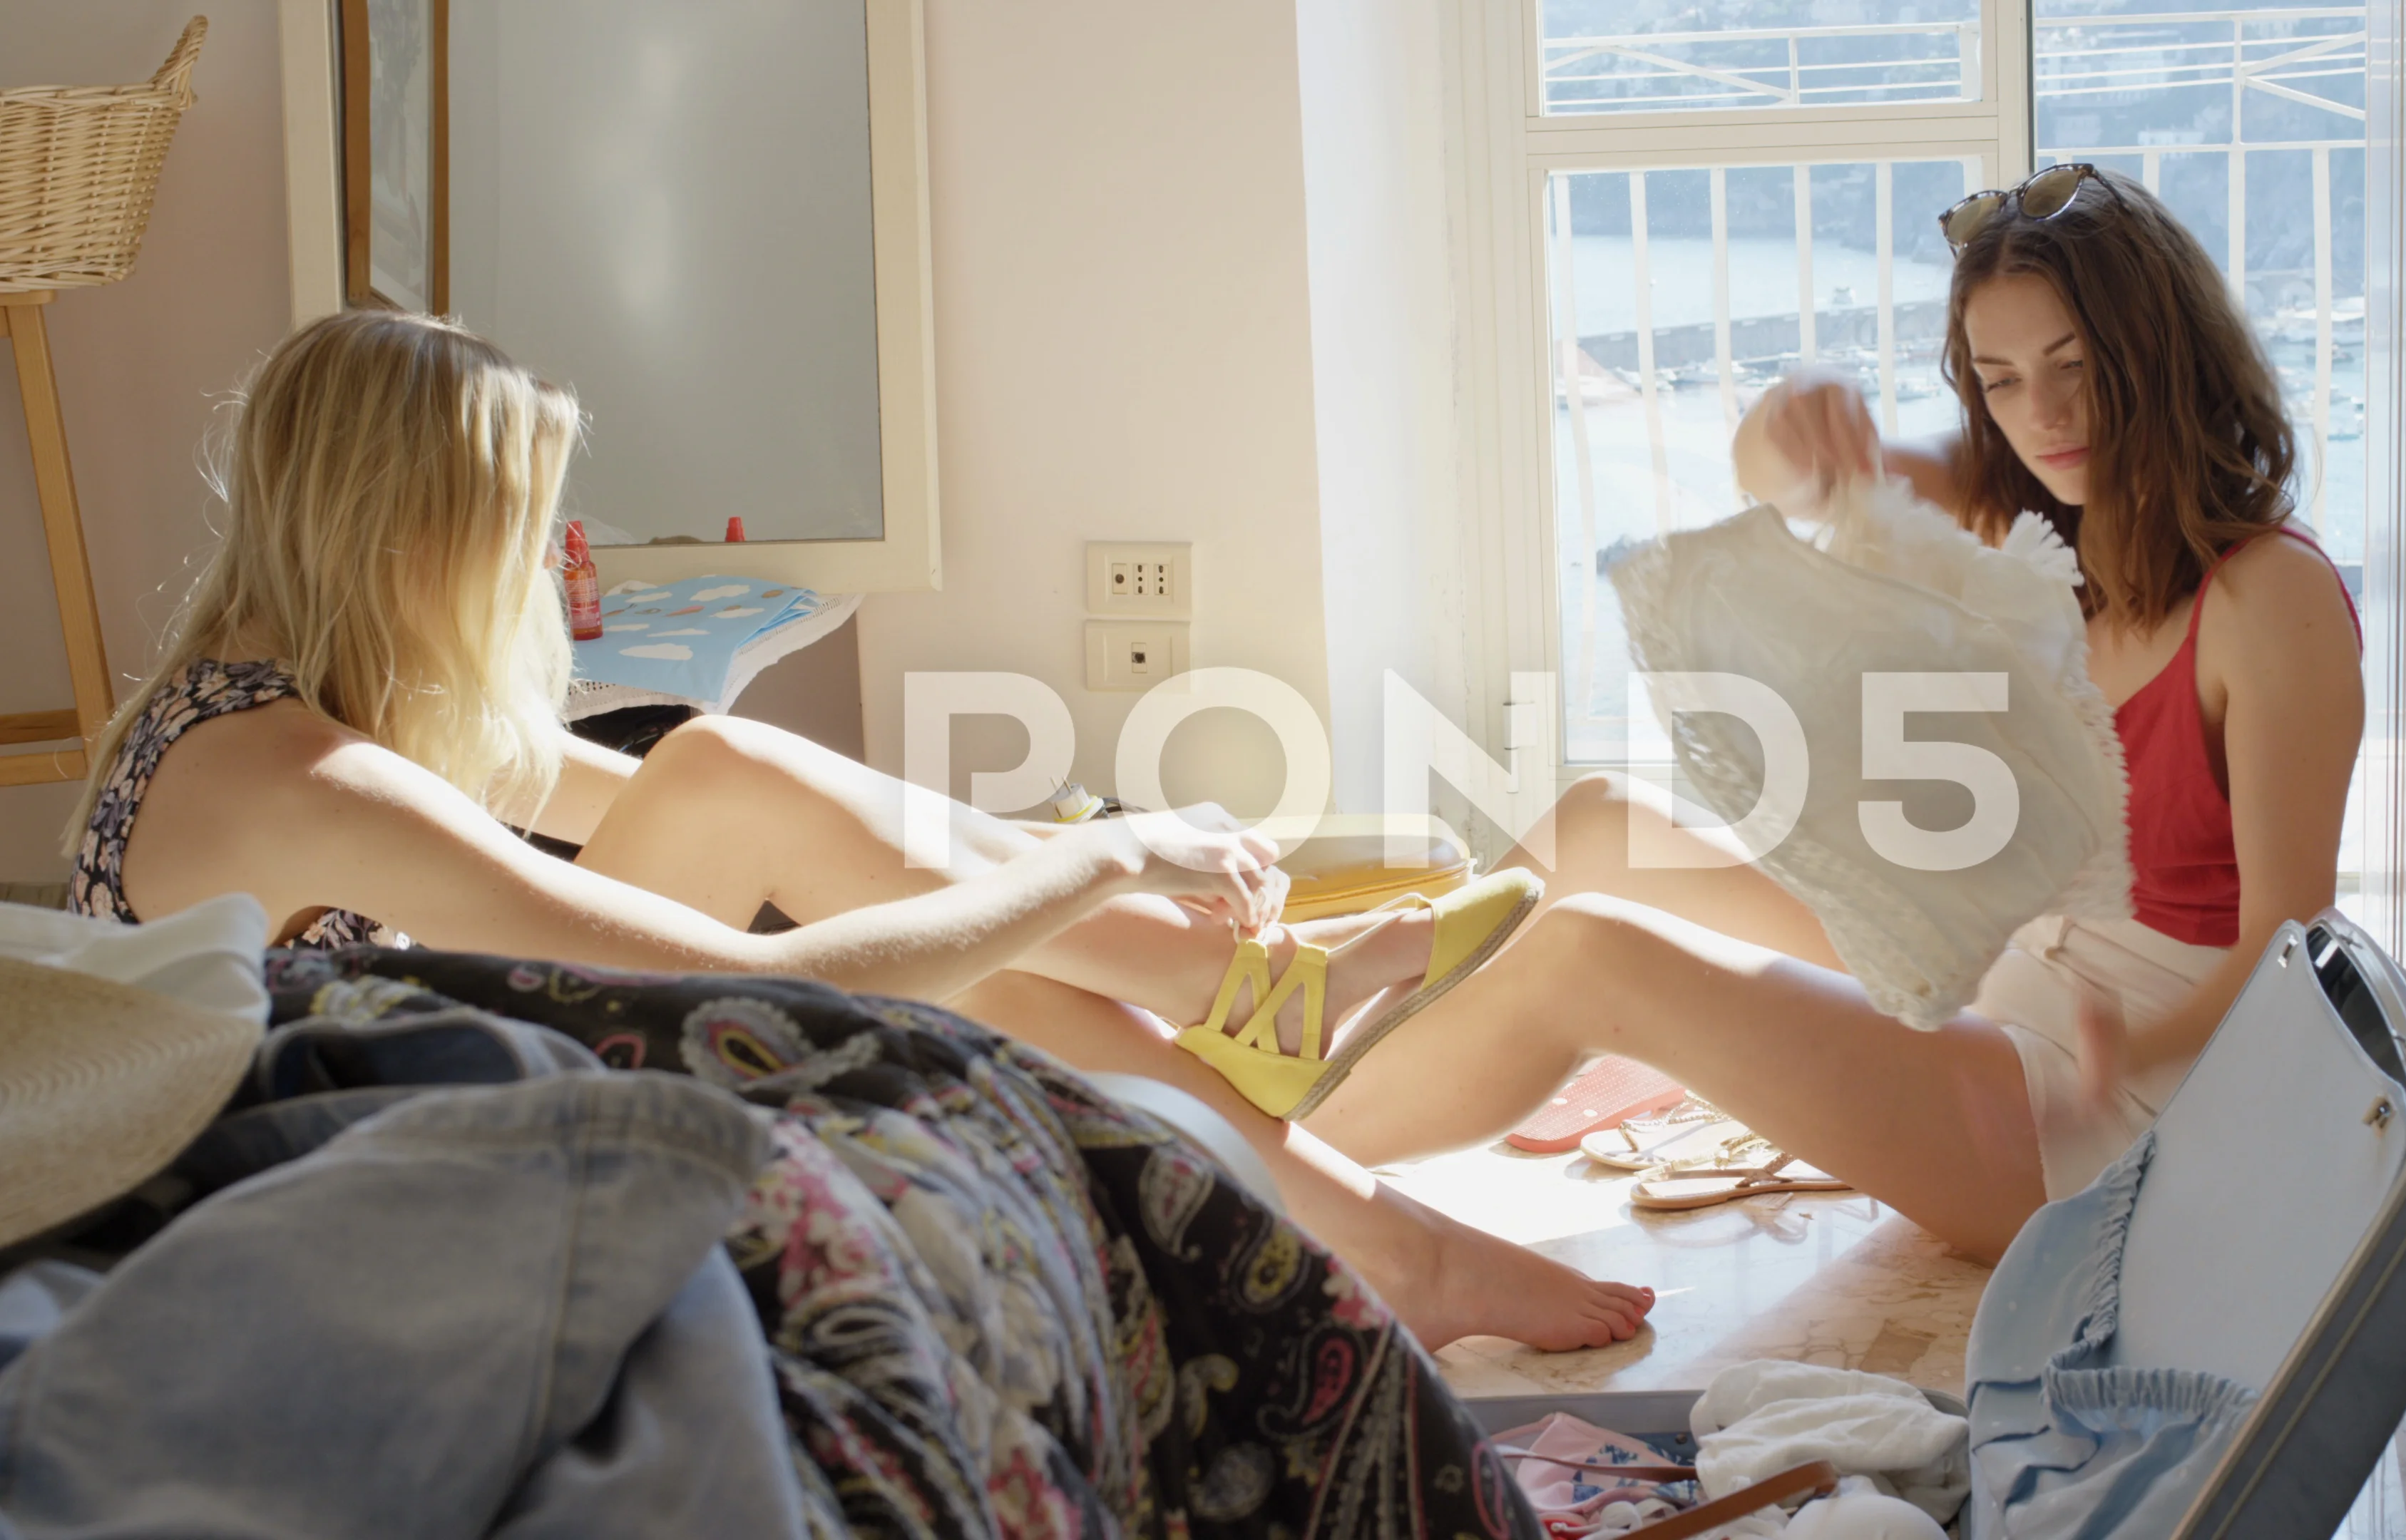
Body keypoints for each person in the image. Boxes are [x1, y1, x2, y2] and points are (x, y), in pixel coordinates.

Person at [63, 307, 1653, 1351]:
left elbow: (770, 823)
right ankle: (1276, 1039)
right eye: (526, 533)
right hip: (389, 1229)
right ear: (419, 538)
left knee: (767, 804)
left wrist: (1044, 866)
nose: (550, 568)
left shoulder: (272, 711)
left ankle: (1318, 1113)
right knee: (821, 845)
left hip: (425, 1130)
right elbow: (762, 990)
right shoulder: (310, 784)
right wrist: (1098, 858)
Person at [1299, 165, 2365, 1261]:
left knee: (1590, 956)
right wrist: (1802, 403)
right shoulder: (2028, 504)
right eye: (1999, 380)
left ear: (2161, 351)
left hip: (2120, 1104)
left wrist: (2127, 1053)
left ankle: (1247, 1171)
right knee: (1596, 829)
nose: (2042, 415)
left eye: (2075, 366)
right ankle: (1299, 1063)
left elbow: (2289, 946)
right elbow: (1786, 475)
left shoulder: (2269, 598)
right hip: (1997, 969)